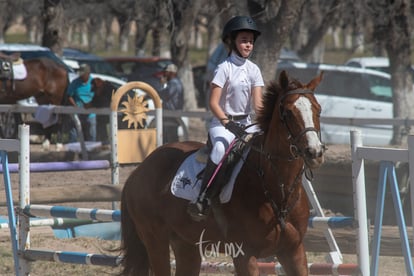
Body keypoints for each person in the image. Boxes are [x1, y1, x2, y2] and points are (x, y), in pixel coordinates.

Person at [187, 16, 264, 220]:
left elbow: (258, 105)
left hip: (247, 123)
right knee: (221, 148)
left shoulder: (254, 70)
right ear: (232, 42)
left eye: (250, 41)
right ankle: (203, 198)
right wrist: (228, 123)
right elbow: (213, 103)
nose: (248, 44)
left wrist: (267, 120)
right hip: (223, 123)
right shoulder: (223, 68)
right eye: (243, 40)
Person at [67, 63, 96, 142]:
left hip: (90, 114)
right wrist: (75, 106)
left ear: (88, 74)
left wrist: (90, 105)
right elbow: (69, 95)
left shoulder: (94, 83)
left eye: (83, 74)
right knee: (74, 134)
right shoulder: (75, 82)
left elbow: (96, 97)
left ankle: (91, 152)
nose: (81, 76)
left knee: (91, 135)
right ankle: (72, 152)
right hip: (78, 112)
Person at [159, 63, 184, 143]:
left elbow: (165, 95)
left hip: (171, 116)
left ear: (172, 73)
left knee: (171, 141)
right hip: (172, 116)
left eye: (166, 72)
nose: (164, 74)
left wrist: (162, 85)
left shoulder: (173, 83)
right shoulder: (177, 82)